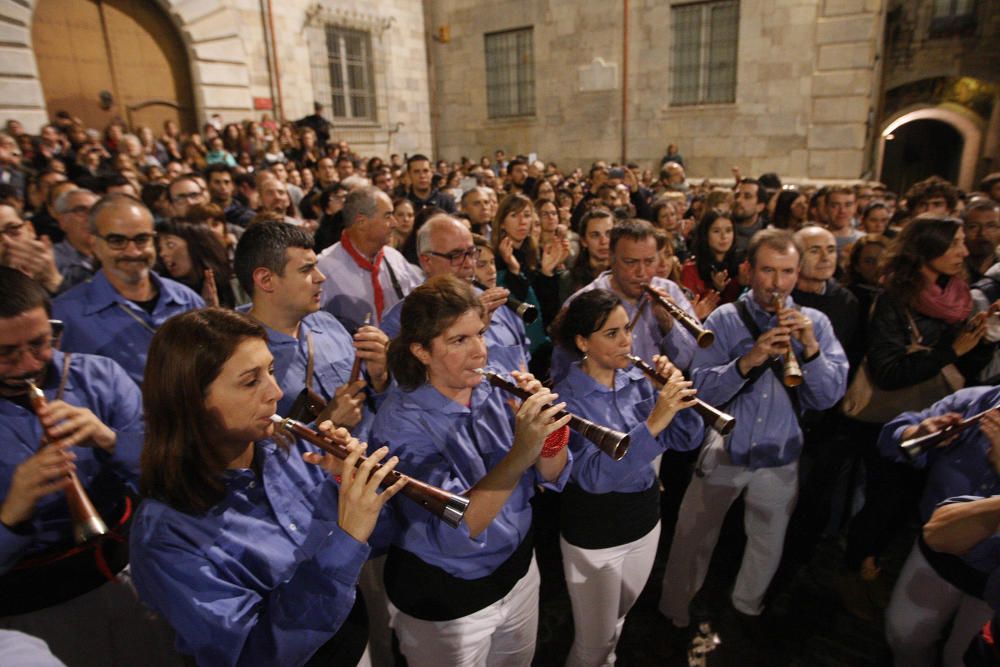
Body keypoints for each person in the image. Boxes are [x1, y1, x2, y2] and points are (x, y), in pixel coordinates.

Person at [130, 308, 405, 666]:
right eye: (250, 381)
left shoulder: (290, 450)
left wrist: (347, 484)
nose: (275, 392)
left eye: (271, 372)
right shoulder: (165, 535)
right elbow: (255, 655)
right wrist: (347, 535)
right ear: (191, 401)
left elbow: (374, 543)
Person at [371, 275, 571, 666]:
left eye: (480, 333)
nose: (480, 352)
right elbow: (461, 523)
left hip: (518, 571)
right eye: (459, 340)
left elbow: (550, 475)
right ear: (421, 351)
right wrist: (521, 450)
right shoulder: (398, 424)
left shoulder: (493, 385)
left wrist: (551, 434)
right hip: (450, 600)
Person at [659, 228, 848, 628]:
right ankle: (675, 610)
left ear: (797, 274)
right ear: (749, 271)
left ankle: (747, 609)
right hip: (725, 450)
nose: (776, 283)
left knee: (767, 542)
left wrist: (810, 349)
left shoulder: (816, 323)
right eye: (767, 271)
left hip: (781, 455)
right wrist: (752, 358)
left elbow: (828, 397)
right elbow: (703, 389)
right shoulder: (725, 320)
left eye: (786, 272)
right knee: (694, 537)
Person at [0, 267, 178, 667]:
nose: (29, 364)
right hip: (33, 611)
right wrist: (12, 512)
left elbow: (168, 481)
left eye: (41, 343)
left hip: (133, 575)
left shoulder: (100, 376)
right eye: (6, 353)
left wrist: (110, 440)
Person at [551, 289, 703, 666]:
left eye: (627, 330)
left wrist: (677, 400)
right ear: (583, 342)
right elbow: (592, 477)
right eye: (612, 334)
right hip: (596, 531)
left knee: (615, 622)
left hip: (644, 519)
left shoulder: (637, 379)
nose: (626, 342)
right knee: (593, 642)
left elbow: (687, 439)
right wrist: (653, 423)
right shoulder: (565, 399)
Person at [845, 217, 995, 599]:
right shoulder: (894, 299)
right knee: (884, 500)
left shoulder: (957, 294)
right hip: (895, 417)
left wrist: (981, 337)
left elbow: (967, 368)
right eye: (955, 244)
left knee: (912, 500)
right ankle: (858, 566)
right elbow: (888, 371)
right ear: (927, 251)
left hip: (947, 420)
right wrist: (950, 351)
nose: (965, 251)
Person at [234, 221, 389, 443]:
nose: (320, 277)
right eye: (306, 269)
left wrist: (379, 378)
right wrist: (324, 429)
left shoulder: (328, 324)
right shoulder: (236, 356)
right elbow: (254, 456)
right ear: (266, 280)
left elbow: (374, 403)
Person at [879, 386, 1000, 667]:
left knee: (961, 658)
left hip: (993, 578)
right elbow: (893, 437)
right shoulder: (978, 401)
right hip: (936, 552)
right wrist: (918, 435)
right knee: (903, 637)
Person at [52, 195, 205, 385]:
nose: (133, 252)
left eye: (142, 239)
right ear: (94, 243)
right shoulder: (66, 316)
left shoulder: (187, 300)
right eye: (117, 241)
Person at [553, 219, 700, 382]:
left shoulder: (670, 290)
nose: (641, 272)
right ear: (611, 258)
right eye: (630, 262)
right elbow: (563, 374)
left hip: (663, 399)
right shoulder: (583, 302)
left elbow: (690, 361)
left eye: (649, 261)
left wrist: (668, 324)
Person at [380, 216, 531, 372]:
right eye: (456, 256)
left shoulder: (497, 304)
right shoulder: (399, 320)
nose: (468, 264)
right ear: (426, 261)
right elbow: (401, 385)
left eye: (472, 253)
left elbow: (523, 358)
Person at [316, 186, 423, 330]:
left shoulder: (395, 258)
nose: (394, 223)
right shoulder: (323, 268)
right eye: (387, 216)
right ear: (362, 222)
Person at [680, 210, 743, 306]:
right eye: (716, 231)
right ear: (705, 234)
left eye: (728, 230)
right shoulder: (691, 269)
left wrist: (742, 284)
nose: (724, 236)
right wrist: (716, 290)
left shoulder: (741, 266)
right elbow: (688, 310)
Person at [51, 189, 98, 290]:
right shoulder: (51, 260)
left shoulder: (113, 255)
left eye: (95, 211)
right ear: (62, 221)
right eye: (81, 210)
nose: (90, 218)